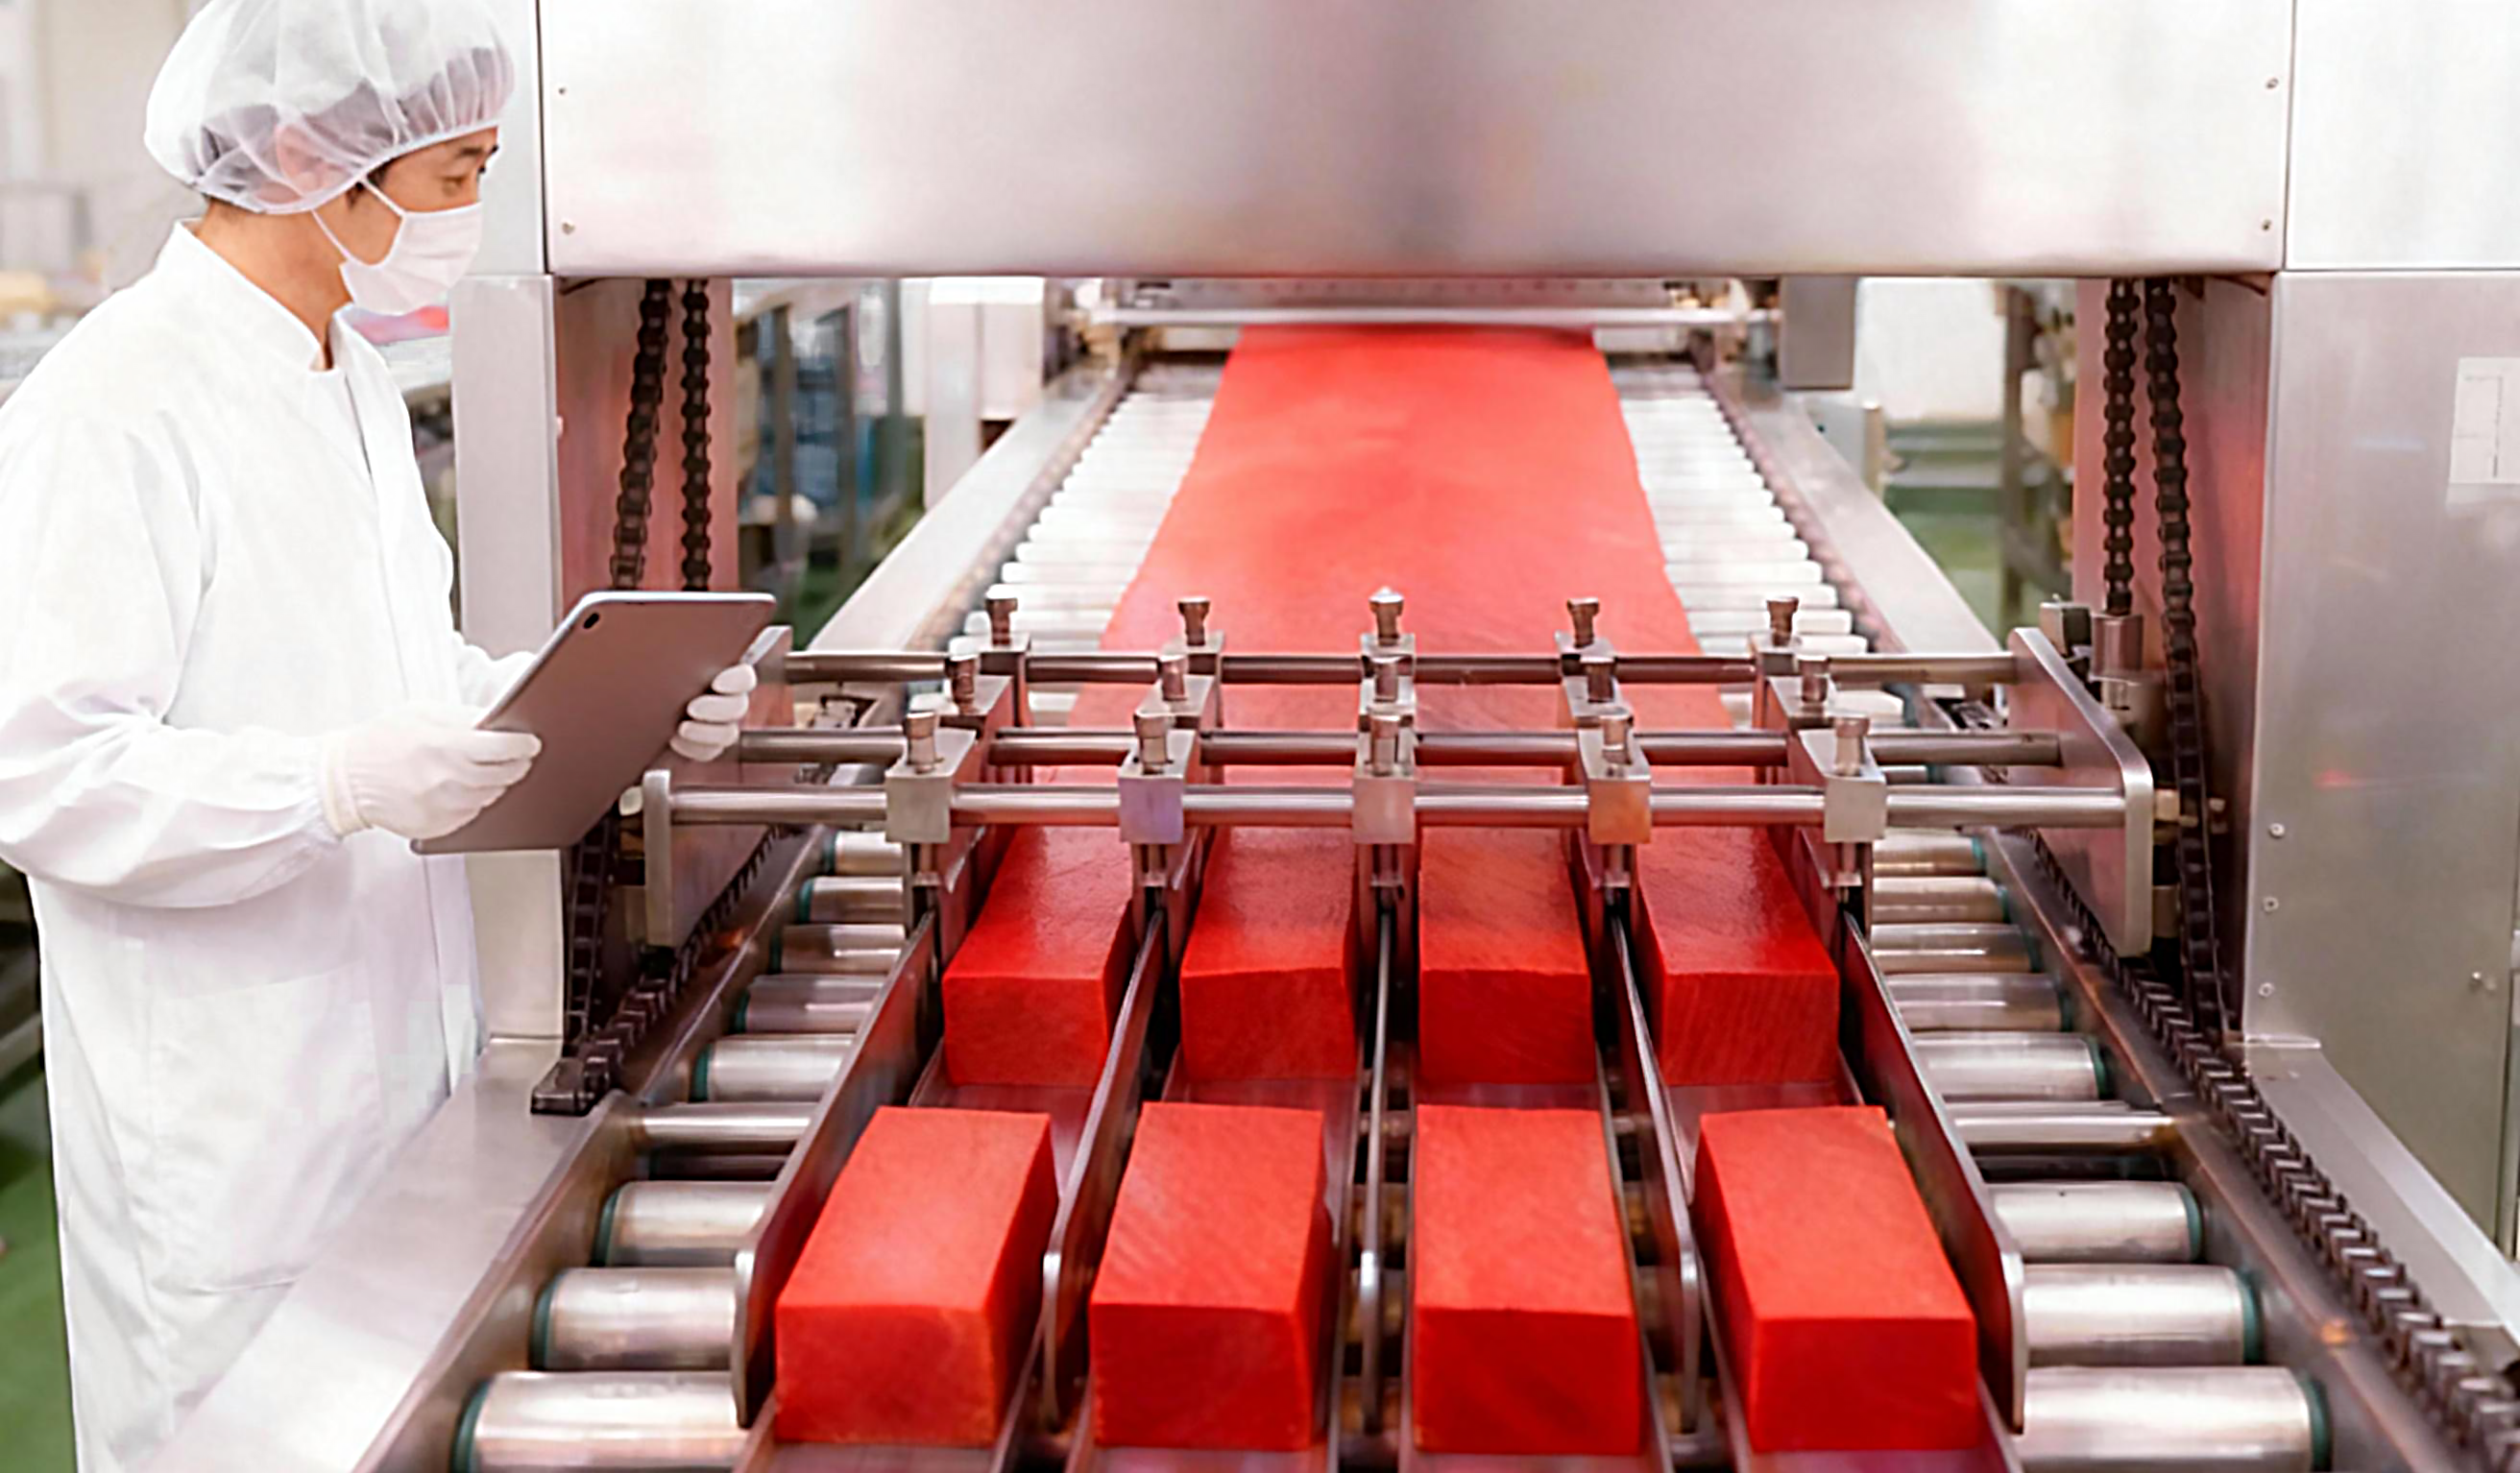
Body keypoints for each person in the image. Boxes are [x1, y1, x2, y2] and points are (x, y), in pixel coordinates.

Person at [0, 2, 756, 1466]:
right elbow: (43, 771)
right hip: (229, 1131)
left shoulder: (339, 368)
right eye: (454, 173)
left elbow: (396, 666)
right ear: (304, 156)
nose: (469, 212)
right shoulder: (113, 408)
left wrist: (602, 697)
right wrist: (329, 785)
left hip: (397, 1063)